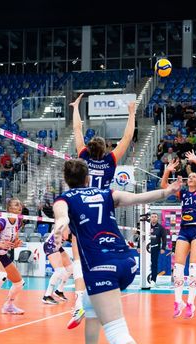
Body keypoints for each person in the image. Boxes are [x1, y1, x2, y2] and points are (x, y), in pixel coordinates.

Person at [52, 159, 179, 344]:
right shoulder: (106, 193)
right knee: (90, 307)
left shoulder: (64, 199)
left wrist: (60, 227)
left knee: (116, 332)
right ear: (88, 178)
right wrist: (167, 192)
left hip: (102, 268)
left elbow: (62, 217)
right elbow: (139, 198)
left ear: (67, 180)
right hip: (127, 263)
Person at [67, 93, 137, 329]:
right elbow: (127, 137)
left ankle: (80, 301)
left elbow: (77, 129)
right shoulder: (110, 161)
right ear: (105, 149)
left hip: (81, 209)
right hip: (104, 212)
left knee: (80, 258)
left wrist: (76, 108)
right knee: (102, 256)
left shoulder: (83, 158)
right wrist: (131, 113)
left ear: (88, 148)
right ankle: (101, 298)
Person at [162, 151, 196, 319]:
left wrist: (195, 160)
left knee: (193, 267)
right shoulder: (182, 193)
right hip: (184, 230)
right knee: (177, 267)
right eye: (189, 176)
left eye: (193, 177)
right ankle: (178, 302)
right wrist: (167, 170)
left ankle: (190, 303)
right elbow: (164, 186)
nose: (190, 178)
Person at [42, 232, 73, 304]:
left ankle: (59, 291)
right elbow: (66, 236)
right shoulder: (67, 225)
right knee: (59, 271)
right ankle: (47, 296)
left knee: (70, 268)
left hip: (58, 245)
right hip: (50, 244)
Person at [148, 213, 167, 288]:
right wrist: (139, 246)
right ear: (150, 218)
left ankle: (153, 280)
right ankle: (145, 279)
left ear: (157, 218)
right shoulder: (146, 226)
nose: (153, 218)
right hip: (146, 249)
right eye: (152, 217)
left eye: (155, 217)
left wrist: (163, 248)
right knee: (145, 264)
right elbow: (141, 236)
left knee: (154, 264)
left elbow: (164, 239)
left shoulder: (161, 228)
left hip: (155, 248)